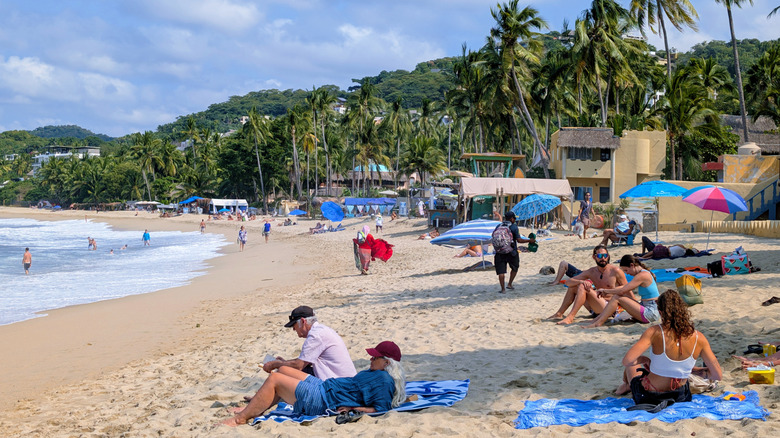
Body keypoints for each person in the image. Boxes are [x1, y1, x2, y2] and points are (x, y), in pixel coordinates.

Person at [221, 341, 405, 427]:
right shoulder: (375, 372)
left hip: (324, 400)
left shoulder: (384, 381)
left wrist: (352, 407)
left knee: (275, 379)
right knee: (283, 370)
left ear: (387, 362)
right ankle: (257, 406)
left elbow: (381, 408)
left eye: (375, 356)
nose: (371, 358)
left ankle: (240, 419)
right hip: (325, 387)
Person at [617, 290, 722, 408]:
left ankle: (626, 385)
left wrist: (644, 359)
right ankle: (626, 385)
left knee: (632, 367)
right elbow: (717, 375)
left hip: (650, 396)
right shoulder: (699, 338)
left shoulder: (654, 332)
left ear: (660, 312)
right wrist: (685, 369)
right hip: (680, 396)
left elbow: (627, 361)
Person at [262, 306, 357, 379]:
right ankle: (262, 397)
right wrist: (284, 362)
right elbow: (306, 360)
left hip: (337, 383)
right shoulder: (322, 330)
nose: (294, 329)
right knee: (285, 368)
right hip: (343, 378)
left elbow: (298, 365)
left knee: (283, 370)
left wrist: (275, 364)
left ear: (303, 321)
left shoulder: (316, 335)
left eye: (294, 326)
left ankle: (261, 399)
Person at [547, 245, 628, 325]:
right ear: (594, 257)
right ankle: (559, 313)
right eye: (600, 256)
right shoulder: (592, 271)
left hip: (610, 308)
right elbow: (568, 282)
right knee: (575, 286)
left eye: (605, 255)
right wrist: (580, 282)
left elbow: (627, 288)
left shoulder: (615, 271)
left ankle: (570, 317)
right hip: (596, 307)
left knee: (583, 287)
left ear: (608, 256)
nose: (603, 258)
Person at [583, 255, 660, 328]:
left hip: (650, 313)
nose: (627, 273)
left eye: (626, 270)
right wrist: (606, 291)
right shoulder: (643, 273)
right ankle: (596, 320)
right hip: (647, 307)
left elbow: (623, 290)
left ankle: (598, 323)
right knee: (617, 296)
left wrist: (605, 291)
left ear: (632, 265)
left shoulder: (642, 275)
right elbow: (625, 287)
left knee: (617, 297)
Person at [493, 211, 535, 294]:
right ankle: (509, 284)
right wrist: (530, 240)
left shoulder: (499, 226)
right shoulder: (514, 227)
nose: (515, 219)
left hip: (499, 251)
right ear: (512, 219)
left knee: (501, 271)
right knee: (515, 267)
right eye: (514, 218)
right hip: (511, 251)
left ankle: (503, 289)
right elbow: (519, 240)